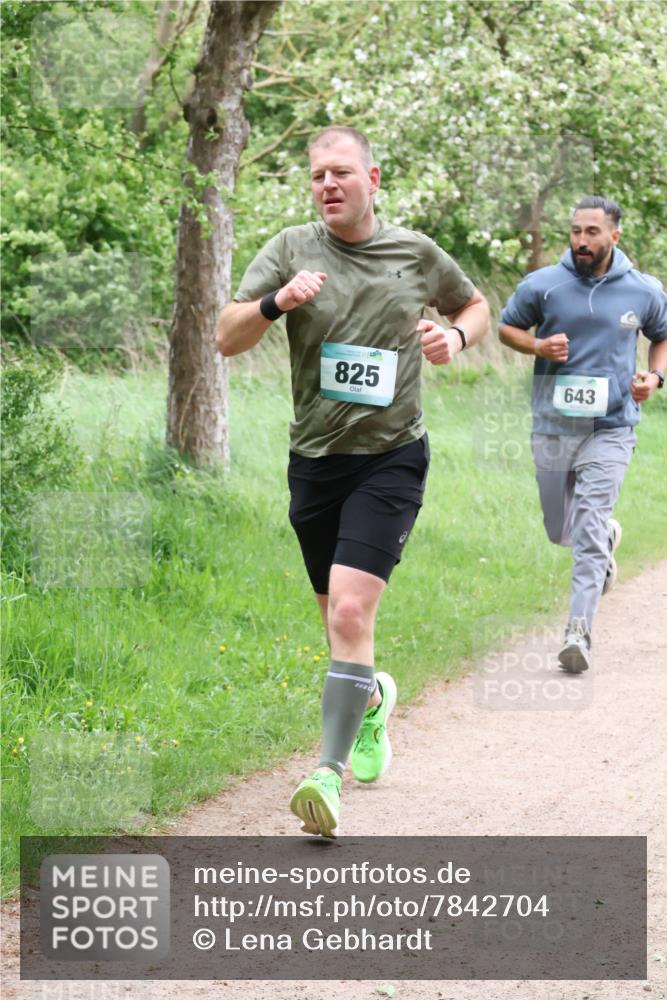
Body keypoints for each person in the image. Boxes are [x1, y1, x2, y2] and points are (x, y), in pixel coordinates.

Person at [216, 125, 489, 837]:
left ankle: (325, 775)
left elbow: (474, 304)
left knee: (347, 614)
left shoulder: (415, 253)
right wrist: (278, 302)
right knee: (335, 623)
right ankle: (370, 703)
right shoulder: (289, 249)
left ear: (373, 178)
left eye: (341, 172)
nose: (327, 185)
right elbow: (225, 334)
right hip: (313, 462)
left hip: (391, 457)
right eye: (316, 177)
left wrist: (452, 338)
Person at [499, 195, 667, 673]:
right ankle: (604, 538)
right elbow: (507, 328)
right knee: (561, 529)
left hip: (612, 426)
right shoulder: (544, 285)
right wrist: (537, 345)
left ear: (614, 235)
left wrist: (653, 379)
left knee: (589, 524)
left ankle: (579, 631)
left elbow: (662, 335)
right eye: (575, 231)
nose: (581, 241)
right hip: (553, 425)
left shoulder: (643, 290)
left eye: (592, 232)